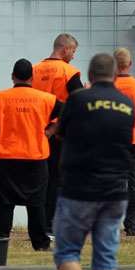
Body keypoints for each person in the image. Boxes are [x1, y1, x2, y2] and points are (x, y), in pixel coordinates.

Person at [52, 53, 134, 270]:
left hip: (79, 187)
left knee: (66, 250)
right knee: (106, 256)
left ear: (89, 74)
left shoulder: (77, 99)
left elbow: (60, 133)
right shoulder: (127, 103)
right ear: (114, 74)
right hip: (115, 189)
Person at [0, 58, 60, 252]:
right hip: (35, 157)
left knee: (4, 201)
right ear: (32, 78)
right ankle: (40, 243)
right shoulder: (45, 98)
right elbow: (68, 113)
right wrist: (50, 131)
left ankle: (1, 238)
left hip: (6, 157)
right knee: (37, 203)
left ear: (12, 77)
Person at [31, 33, 83, 233]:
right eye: (73, 51)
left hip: (36, 131)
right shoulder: (68, 72)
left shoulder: (34, 70)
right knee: (58, 178)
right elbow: (79, 102)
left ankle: (38, 223)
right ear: (65, 49)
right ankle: (52, 224)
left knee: (39, 178)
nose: (73, 56)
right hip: (59, 132)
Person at [112, 47, 135, 237]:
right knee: (134, 181)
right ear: (130, 64)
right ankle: (134, 224)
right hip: (134, 139)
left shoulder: (105, 87)